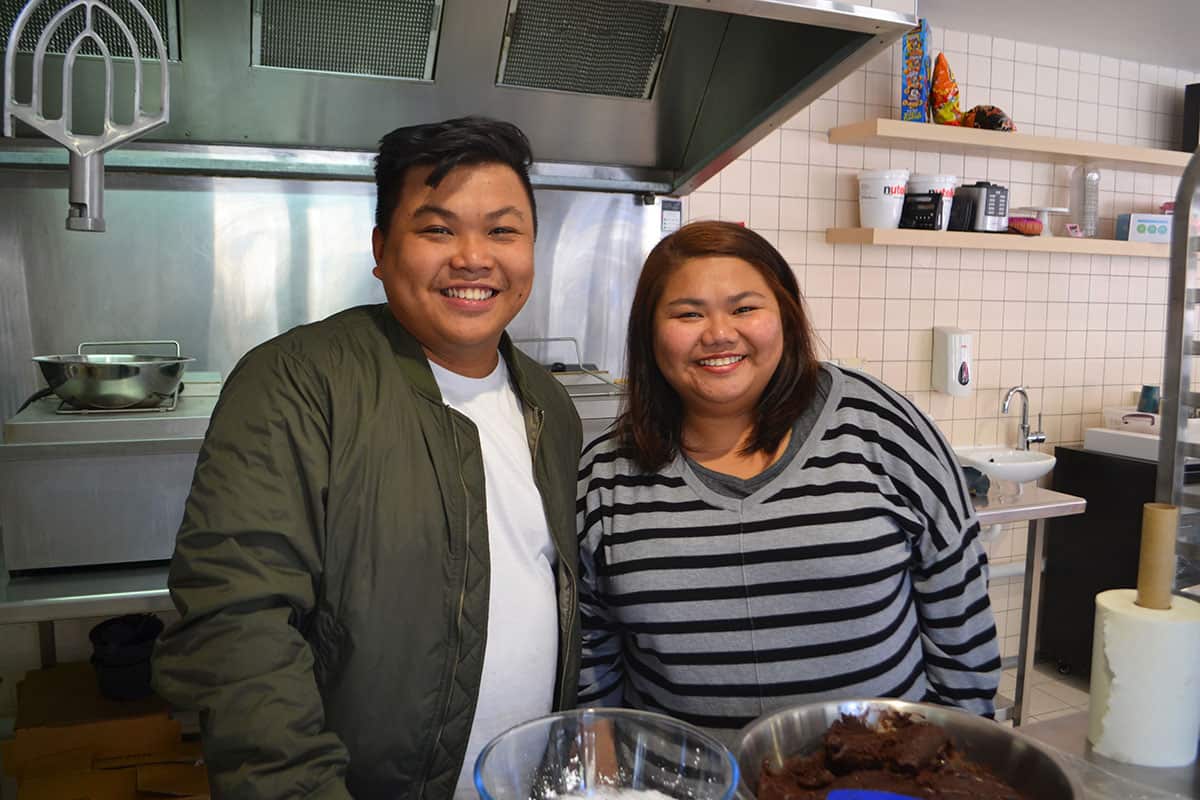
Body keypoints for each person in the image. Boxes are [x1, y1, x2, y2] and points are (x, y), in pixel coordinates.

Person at [153, 117, 583, 799]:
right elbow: (238, 619)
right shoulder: (299, 380)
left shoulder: (550, 406)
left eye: (503, 231)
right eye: (438, 229)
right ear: (382, 249)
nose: (474, 257)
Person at [576, 220, 1000, 735]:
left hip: (878, 785)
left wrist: (956, 762)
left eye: (744, 308)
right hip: (686, 787)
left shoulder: (880, 427)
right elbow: (591, 658)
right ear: (648, 333)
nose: (718, 334)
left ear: (787, 315)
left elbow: (960, 612)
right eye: (687, 314)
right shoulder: (606, 476)